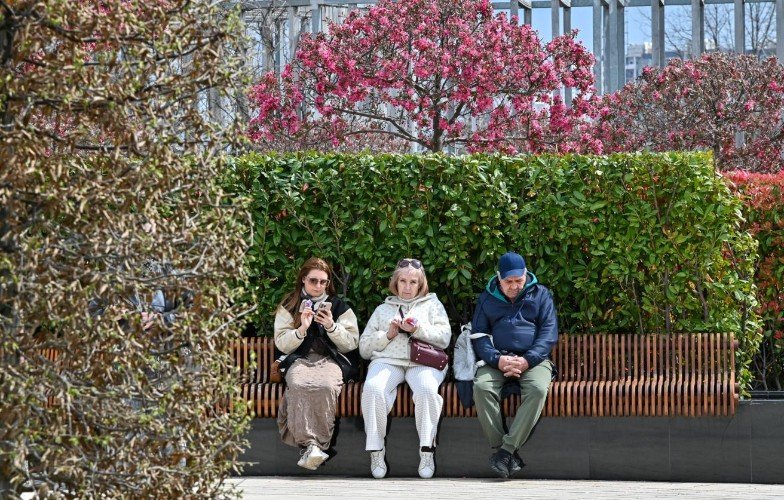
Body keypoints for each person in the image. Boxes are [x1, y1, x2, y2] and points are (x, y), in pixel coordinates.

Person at [359, 258, 451, 479]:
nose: (408, 287)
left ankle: (427, 450)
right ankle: (376, 450)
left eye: (413, 282)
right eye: (403, 281)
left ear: (421, 285)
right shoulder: (383, 309)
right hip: (388, 361)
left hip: (423, 362)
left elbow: (445, 338)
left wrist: (418, 329)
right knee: (373, 388)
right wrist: (388, 334)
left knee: (427, 389)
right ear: (395, 283)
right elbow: (364, 348)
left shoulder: (432, 305)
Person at [471, 251, 558, 478]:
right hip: (497, 359)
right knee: (481, 387)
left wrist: (527, 360)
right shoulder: (487, 298)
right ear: (499, 278)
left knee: (538, 389)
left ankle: (505, 451)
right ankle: (505, 451)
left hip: (534, 360)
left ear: (525, 274)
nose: (514, 286)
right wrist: (496, 360)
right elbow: (478, 335)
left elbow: (549, 334)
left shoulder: (541, 294)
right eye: (508, 282)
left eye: (518, 280)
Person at [274, 257, 360, 470]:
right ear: (303, 279)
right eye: (313, 280)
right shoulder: (289, 305)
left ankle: (315, 445)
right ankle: (310, 447)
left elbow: (352, 342)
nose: (318, 286)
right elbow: (282, 344)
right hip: (299, 360)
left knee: (325, 386)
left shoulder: (339, 306)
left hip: (331, 361)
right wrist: (302, 329)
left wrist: (331, 326)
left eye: (323, 282)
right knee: (298, 385)